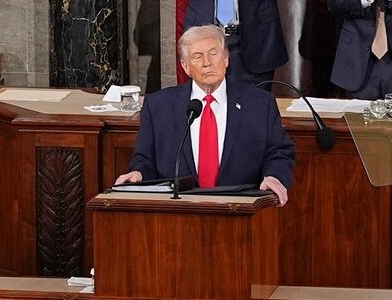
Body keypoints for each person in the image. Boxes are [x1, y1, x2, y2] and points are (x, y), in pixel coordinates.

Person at [115, 25, 295, 205]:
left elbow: (278, 152)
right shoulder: (159, 106)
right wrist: (138, 174)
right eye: (197, 56)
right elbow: (145, 159)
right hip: (177, 212)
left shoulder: (259, 104)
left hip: (241, 211)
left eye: (213, 53)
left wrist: (274, 177)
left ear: (226, 59)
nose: (207, 62)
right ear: (186, 67)